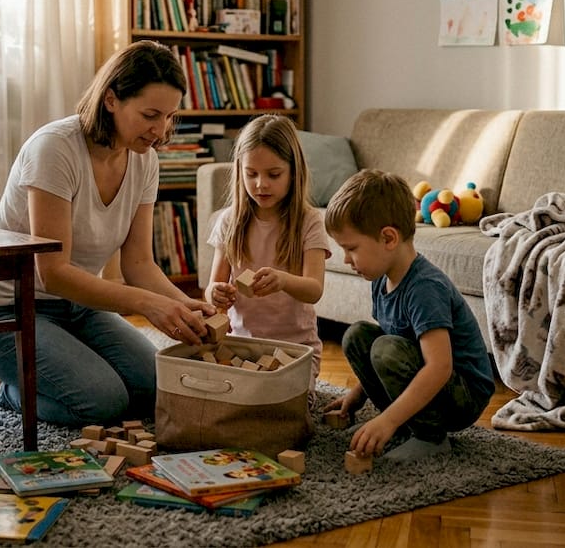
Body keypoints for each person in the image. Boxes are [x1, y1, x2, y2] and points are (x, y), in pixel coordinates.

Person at [0, 40, 218, 426]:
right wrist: (148, 305)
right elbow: (54, 273)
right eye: (150, 115)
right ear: (111, 99)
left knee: (156, 389)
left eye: (169, 116)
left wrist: (185, 306)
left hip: (77, 307)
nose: (161, 130)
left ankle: (48, 371)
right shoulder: (55, 149)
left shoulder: (145, 160)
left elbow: (139, 264)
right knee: (102, 402)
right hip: (5, 311)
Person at [321, 169, 495, 461]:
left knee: (386, 348)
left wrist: (386, 420)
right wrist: (357, 395)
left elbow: (439, 367)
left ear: (388, 238)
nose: (346, 259)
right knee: (357, 336)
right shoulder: (381, 278)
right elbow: (396, 344)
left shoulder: (425, 288)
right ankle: (405, 422)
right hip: (435, 381)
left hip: (463, 395)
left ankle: (430, 437)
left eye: (351, 249)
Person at [205, 114, 329, 391]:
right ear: (240, 171)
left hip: (297, 351)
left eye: (273, 174)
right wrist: (215, 293)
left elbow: (314, 289)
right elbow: (213, 287)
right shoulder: (229, 220)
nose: (261, 184)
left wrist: (283, 280)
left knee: (286, 405)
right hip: (241, 346)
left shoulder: (309, 221)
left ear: (293, 171)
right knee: (229, 397)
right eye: (251, 174)